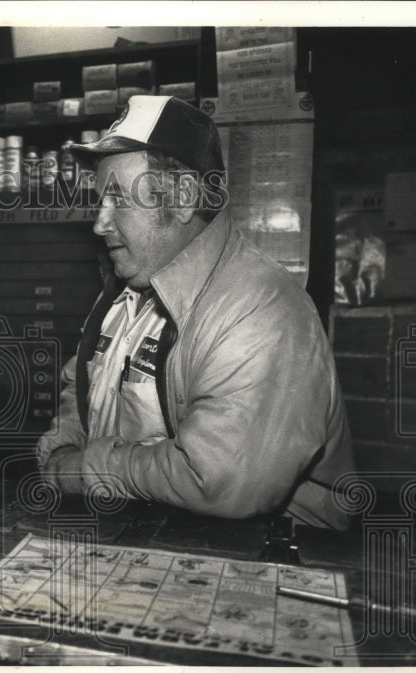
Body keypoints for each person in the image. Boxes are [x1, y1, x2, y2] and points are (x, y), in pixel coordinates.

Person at [36, 96, 355, 529]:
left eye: (118, 200)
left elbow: (221, 479)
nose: (99, 223)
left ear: (183, 197)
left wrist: (81, 471)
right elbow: (86, 384)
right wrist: (60, 447)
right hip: (144, 533)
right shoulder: (127, 287)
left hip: (266, 556)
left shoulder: (260, 307)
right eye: (99, 201)